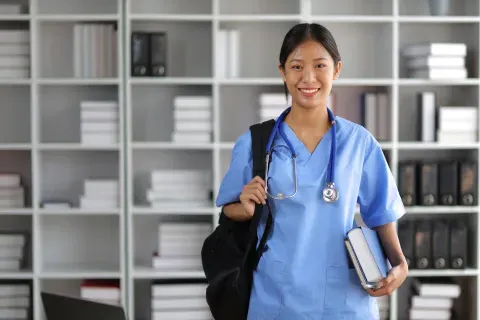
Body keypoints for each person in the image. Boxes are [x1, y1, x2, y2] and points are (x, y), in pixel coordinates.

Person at [215, 22, 408, 320]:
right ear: (282, 71)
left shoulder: (359, 143)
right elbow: (228, 209)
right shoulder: (256, 142)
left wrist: (399, 263)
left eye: (320, 65)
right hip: (276, 294)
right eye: (296, 66)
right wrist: (244, 207)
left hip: (344, 298)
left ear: (337, 69)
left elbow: (381, 213)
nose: (308, 78)